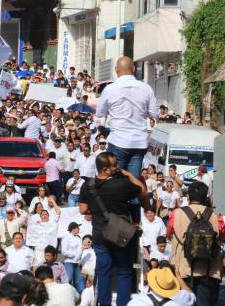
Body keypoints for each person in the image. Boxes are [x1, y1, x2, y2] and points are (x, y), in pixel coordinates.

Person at [78, 152, 149, 306]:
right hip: (119, 232)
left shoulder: (88, 185)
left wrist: (97, 211)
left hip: (99, 234)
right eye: (114, 165)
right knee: (124, 271)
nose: (117, 167)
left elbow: (83, 209)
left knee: (103, 272)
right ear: (105, 169)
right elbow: (142, 190)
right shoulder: (122, 184)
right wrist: (129, 174)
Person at [96, 56, 159, 178]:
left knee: (115, 182)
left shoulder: (110, 89)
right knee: (133, 184)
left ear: (116, 70)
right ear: (134, 69)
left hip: (118, 140)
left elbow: (100, 114)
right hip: (139, 142)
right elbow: (154, 114)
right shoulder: (146, 88)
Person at [167, 181, 222, 306]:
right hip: (208, 269)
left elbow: (169, 232)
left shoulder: (177, 213)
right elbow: (222, 234)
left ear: (188, 197)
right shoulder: (214, 215)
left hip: (183, 269)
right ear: (205, 198)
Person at [61, 222, 83, 293]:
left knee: (79, 282)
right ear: (73, 229)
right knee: (68, 280)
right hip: (69, 262)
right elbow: (64, 251)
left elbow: (80, 250)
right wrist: (75, 254)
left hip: (77, 263)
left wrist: (77, 257)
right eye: (77, 228)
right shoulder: (66, 238)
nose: (79, 229)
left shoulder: (79, 239)